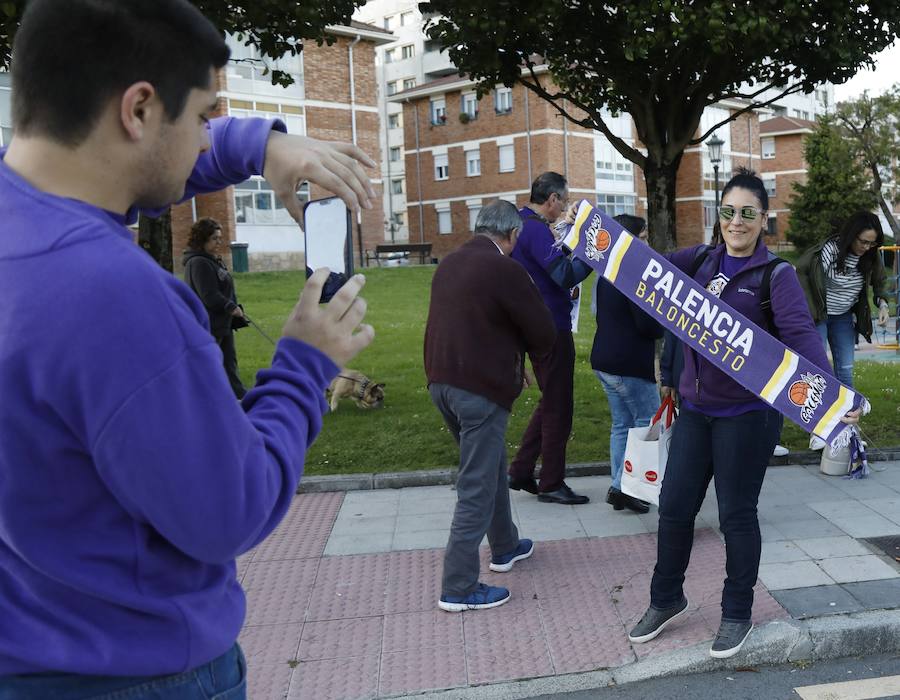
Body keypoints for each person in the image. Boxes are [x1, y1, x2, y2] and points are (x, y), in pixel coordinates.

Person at [0, 1, 377, 696]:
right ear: (139, 108)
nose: (208, 144)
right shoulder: (114, 295)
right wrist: (303, 365)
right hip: (140, 673)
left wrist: (261, 147)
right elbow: (230, 510)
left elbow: (136, 173)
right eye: (205, 117)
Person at [627, 169, 860, 659]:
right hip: (695, 411)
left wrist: (836, 398)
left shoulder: (776, 276)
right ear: (719, 216)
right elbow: (641, 267)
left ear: (763, 219)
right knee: (674, 508)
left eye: (748, 213)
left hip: (747, 416)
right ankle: (665, 599)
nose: (736, 221)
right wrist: (585, 232)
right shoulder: (700, 260)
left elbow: (802, 339)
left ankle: (737, 613)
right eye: (729, 211)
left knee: (736, 515)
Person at [425, 200, 556, 612]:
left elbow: (471, 321)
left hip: (442, 382)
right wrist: (525, 355)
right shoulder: (505, 268)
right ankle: (459, 587)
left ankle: (505, 545)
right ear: (513, 234)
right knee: (477, 485)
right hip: (479, 390)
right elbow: (544, 331)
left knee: (491, 466)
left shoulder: (449, 263)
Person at [507, 172, 591, 505]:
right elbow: (565, 274)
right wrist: (595, 254)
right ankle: (552, 483)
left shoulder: (519, 224)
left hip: (533, 324)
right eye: (564, 200)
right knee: (559, 407)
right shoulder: (536, 230)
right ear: (552, 199)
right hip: (551, 327)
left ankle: (521, 470)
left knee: (550, 400)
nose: (564, 207)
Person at [591, 214, 662, 514]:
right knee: (648, 422)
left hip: (604, 359)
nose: (647, 243)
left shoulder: (607, 269)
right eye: (643, 237)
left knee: (622, 425)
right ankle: (624, 488)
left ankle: (619, 485)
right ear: (629, 239)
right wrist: (664, 318)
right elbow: (648, 326)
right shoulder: (634, 273)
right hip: (629, 363)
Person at [796, 211, 890, 388]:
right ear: (851, 235)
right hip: (818, 316)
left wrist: (883, 305)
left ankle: (846, 406)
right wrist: (806, 312)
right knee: (816, 369)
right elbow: (803, 276)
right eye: (863, 241)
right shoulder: (829, 251)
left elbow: (879, 282)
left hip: (843, 317)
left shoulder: (871, 255)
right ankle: (818, 405)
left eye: (872, 243)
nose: (867, 247)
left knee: (845, 370)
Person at [183, 217, 249, 399]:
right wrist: (231, 306)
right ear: (201, 239)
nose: (219, 242)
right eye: (214, 238)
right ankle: (201, 398)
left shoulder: (212, 260)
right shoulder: (198, 263)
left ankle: (238, 396)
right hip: (209, 323)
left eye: (220, 238)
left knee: (229, 362)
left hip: (223, 321)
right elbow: (209, 295)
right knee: (209, 364)